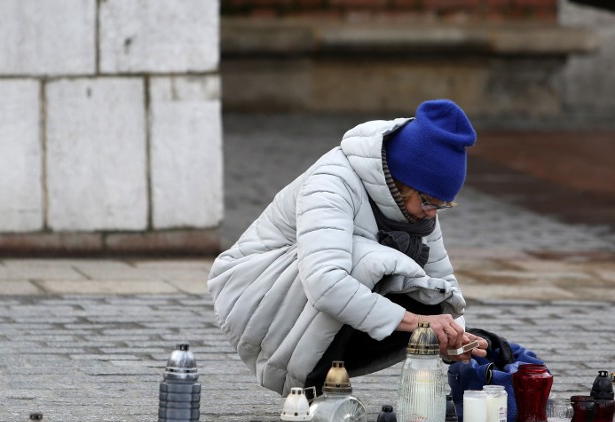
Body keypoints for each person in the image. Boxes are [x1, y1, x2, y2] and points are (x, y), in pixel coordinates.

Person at [208, 99, 488, 397]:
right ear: (402, 181)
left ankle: (331, 378)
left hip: (312, 290)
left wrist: (455, 338)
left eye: (444, 206)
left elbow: (443, 284)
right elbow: (325, 283)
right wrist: (420, 322)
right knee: (371, 262)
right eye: (430, 202)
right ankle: (315, 382)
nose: (434, 213)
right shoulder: (331, 183)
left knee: (426, 290)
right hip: (252, 290)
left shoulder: (417, 208)